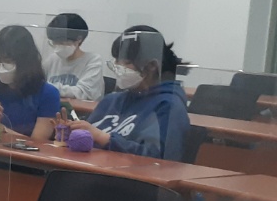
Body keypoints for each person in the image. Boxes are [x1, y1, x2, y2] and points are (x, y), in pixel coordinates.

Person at [71, 26, 189, 159]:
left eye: (126, 62)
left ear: (151, 66)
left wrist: (103, 138)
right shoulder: (111, 100)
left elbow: (156, 158)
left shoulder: (168, 106)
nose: (118, 67)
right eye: (116, 61)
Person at [0, 24, 59, 141]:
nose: (1, 68)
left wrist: (2, 129)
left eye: (8, 62)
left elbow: (38, 142)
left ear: (25, 62)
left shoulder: (48, 94)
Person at [43, 13, 105, 102]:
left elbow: (83, 93)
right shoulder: (52, 60)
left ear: (79, 39)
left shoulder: (93, 60)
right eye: (54, 42)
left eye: (61, 42)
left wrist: (48, 88)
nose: (57, 46)